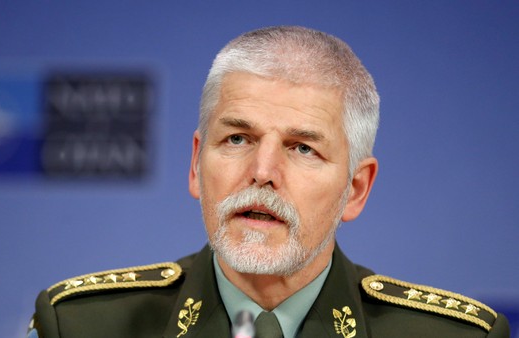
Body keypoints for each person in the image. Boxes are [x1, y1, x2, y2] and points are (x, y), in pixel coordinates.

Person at [28, 26, 510, 338]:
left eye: (303, 148)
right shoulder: (79, 325)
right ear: (197, 165)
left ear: (356, 189)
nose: (261, 171)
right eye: (238, 138)